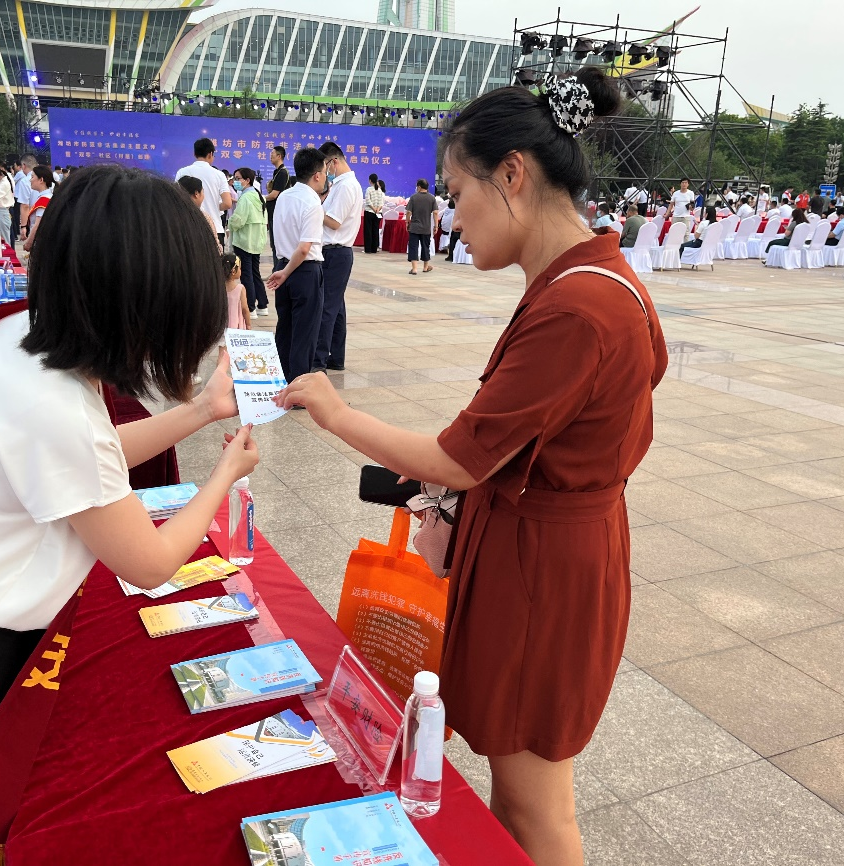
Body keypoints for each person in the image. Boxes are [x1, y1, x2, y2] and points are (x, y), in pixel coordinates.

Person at [276, 66, 665, 866]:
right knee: (515, 791)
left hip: (542, 572)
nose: (451, 214)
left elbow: (459, 457)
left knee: (532, 806)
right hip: (545, 551)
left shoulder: (577, 305)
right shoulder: (589, 280)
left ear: (511, 175)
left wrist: (336, 413)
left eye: (456, 192)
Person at [0, 163, 258, 866]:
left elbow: (89, 462)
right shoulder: (55, 404)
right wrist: (224, 476)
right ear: (137, 302)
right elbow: (150, 561)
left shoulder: (20, 337)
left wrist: (202, 410)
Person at [265, 147, 326, 383]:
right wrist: (286, 272)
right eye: (324, 172)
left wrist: (282, 271)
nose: (325, 177)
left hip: (282, 265)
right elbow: (303, 249)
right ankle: (298, 388)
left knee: (285, 330)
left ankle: (279, 383)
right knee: (305, 334)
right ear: (317, 175)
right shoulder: (312, 202)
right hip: (303, 271)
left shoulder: (284, 196)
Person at [315, 141, 362, 371]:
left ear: (333, 162)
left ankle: (318, 360)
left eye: (325, 166)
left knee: (326, 307)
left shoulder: (346, 186)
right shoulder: (342, 185)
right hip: (335, 252)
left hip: (335, 252)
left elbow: (334, 222)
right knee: (336, 308)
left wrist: (314, 209)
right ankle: (336, 356)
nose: (324, 172)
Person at [175, 138, 233, 247]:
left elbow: (177, 200)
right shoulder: (219, 174)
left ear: (194, 153)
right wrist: (214, 206)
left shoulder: (182, 172)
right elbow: (227, 203)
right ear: (210, 154)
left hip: (188, 228)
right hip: (214, 228)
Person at [229, 166, 269, 318]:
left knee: (246, 274)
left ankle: (250, 307)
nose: (235, 181)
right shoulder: (258, 195)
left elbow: (239, 220)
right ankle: (262, 305)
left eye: (238, 178)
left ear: (247, 180)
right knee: (254, 273)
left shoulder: (246, 198)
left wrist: (230, 224)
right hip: (256, 240)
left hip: (245, 241)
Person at [405, 178, 437, 274]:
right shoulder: (432, 198)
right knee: (425, 247)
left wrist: (407, 222)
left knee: (413, 247)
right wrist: (436, 226)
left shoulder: (413, 197)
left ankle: (414, 269)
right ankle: (425, 267)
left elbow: (409, 212)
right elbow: (435, 213)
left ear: (419, 187)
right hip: (426, 227)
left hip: (414, 227)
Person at [20, 165, 55, 255]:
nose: (30, 180)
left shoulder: (44, 199)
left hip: (41, 242)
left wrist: (28, 243)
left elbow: (37, 225)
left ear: (41, 180)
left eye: (32, 177)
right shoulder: (47, 196)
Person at [264, 146, 290, 263]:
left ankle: (278, 269)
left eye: (272, 154)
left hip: (277, 213)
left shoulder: (283, 173)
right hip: (273, 212)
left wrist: (261, 198)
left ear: (279, 156)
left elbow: (274, 194)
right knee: (274, 244)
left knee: (277, 244)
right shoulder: (277, 172)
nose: (270, 156)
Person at [222, 251, 252, 330]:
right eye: (239, 268)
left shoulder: (220, 288)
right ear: (233, 271)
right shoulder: (240, 288)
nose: (240, 271)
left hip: (222, 325)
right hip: (236, 326)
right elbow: (245, 309)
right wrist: (248, 324)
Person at [14, 154, 37, 242]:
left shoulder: (25, 181)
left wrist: (23, 226)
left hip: (33, 220)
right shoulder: (48, 177)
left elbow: (25, 206)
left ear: (23, 166)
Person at [363, 173, 386, 254]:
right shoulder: (380, 191)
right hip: (377, 213)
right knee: (375, 230)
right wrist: (377, 209)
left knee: (368, 230)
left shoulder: (369, 189)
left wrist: (373, 209)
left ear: (370, 180)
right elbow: (381, 202)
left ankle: (368, 249)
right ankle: (374, 249)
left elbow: (368, 201)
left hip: (369, 212)